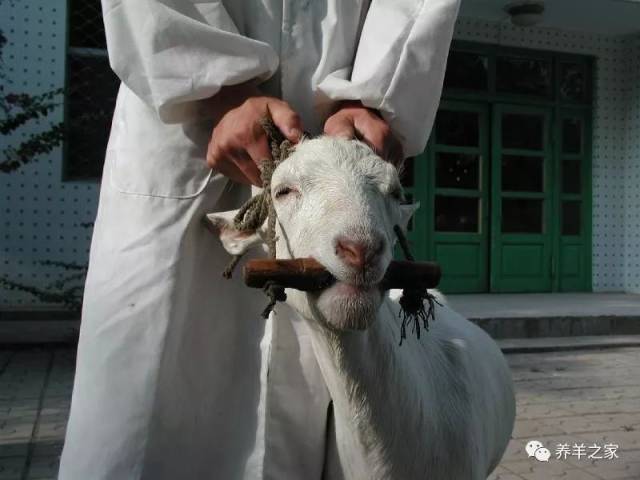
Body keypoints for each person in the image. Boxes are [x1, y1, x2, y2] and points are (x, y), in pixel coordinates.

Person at [58, 1, 460, 478]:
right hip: (188, 119)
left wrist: (373, 96)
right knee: (147, 396)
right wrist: (220, 85)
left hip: (338, 105)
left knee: (353, 395)